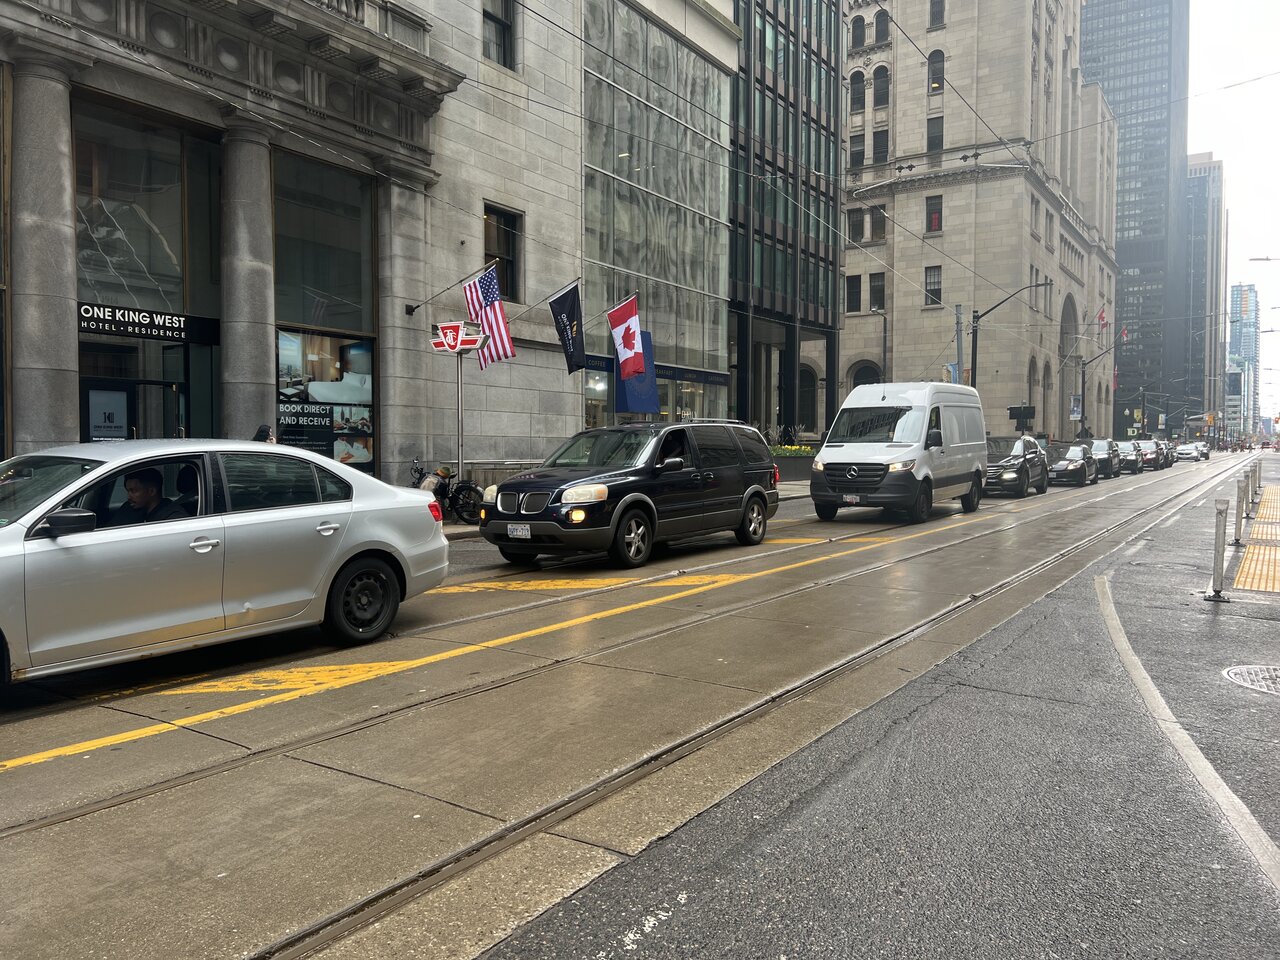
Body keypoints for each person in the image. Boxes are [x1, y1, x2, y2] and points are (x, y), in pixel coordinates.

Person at [112, 468, 188, 525]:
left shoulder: (174, 518)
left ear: (151, 491)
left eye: (133, 491)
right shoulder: (128, 509)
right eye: (128, 491)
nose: (128, 497)